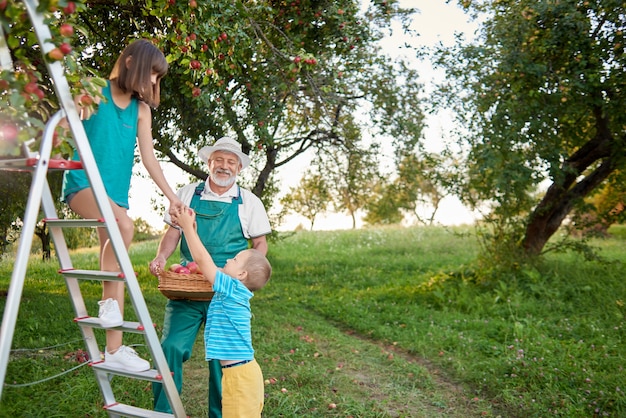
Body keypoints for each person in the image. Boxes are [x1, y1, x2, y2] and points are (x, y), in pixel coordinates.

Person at [62, 39, 183, 372]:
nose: (155, 83)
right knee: (124, 227)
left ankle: (113, 349)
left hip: (114, 197)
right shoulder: (94, 91)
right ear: (131, 62)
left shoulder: (140, 110)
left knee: (116, 267)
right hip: (82, 186)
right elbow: (65, 126)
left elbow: (149, 159)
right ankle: (107, 307)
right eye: (153, 75)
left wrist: (173, 197)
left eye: (159, 79)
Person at [149, 136, 271, 416]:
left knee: (223, 358)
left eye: (231, 161)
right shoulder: (188, 193)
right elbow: (173, 231)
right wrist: (161, 257)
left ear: (239, 168)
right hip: (187, 288)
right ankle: (164, 411)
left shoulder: (249, 202)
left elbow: (260, 243)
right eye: (219, 159)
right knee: (170, 347)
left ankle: (222, 413)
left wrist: (254, 270)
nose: (224, 166)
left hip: (225, 290)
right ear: (208, 162)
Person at [172, 205, 271, 417]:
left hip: (240, 378)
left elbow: (203, 261)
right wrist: (194, 232)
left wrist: (187, 229)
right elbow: (207, 267)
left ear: (242, 274)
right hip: (241, 374)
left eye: (234, 260)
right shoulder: (236, 289)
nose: (228, 260)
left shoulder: (232, 289)